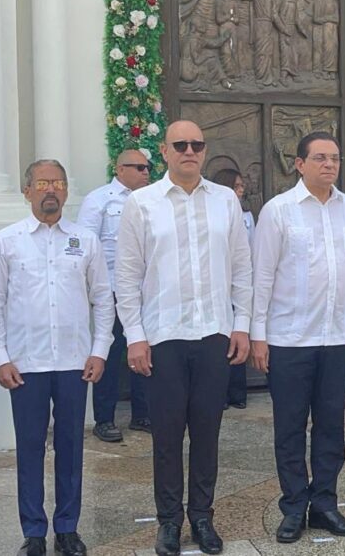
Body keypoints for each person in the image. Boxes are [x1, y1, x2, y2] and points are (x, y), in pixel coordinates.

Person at [115, 120, 252, 556]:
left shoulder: (225, 201)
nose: (190, 150)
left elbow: (242, 267)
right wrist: (135, 336)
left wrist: (242, 323)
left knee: (208, 433)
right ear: (165, 151)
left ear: (204, 150)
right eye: (181, 144)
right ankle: (169, 521)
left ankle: (203, 518)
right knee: (167, 436)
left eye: (197, 144)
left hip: (213, 332)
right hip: (163, 336)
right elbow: (127, 275)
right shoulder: (142, 203)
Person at [0, 159, 113, 556]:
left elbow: (103, 299)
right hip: (26, 364)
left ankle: (68, 527)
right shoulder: (7, 240)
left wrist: (100, 350)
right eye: (42, 182)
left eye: (57, 182)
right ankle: (34, 532)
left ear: (66, 191)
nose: (50, 189)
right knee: (29, 448)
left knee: (72, 447)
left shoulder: (85, 240)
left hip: (75, 362)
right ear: (27, 191)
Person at [251, 131, 345, 543]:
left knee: (330, 426)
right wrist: (259, 335)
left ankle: (324, 503)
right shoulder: (279, 211)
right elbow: (262, 275)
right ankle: (293, 506)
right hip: (289, 337)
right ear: (299, 164)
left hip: (337, 336)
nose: (329, 165)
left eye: (335, 158)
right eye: (320, 157)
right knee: (289, 427)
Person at [77, 149, 152, 443]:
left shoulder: (149, 201)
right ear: (120, 169)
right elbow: (86, 245)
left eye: (148, 167)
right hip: (111, 290)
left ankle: (142, 414)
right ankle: (104, 418)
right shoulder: (99, 200)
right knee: (109, 351)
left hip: (143, 290)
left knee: (144, 350)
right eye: (139, 167)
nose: (146, 172)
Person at [211, 167, 255, 409]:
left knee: (238, 335)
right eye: (236, 186)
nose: (241, 190)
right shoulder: (215, 213)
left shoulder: (247, 216)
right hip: (218, 285)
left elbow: (250, 249)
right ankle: (220, 393)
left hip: (239, 283)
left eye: (241, 187)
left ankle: (238, 393)